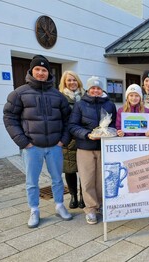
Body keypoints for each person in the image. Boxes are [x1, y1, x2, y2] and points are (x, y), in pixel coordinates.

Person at [3, 55, 72, 228]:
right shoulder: (19, 93)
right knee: (31, 181)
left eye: (44, 70)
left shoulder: (58, 96)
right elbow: (9, 117)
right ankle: (34, 209)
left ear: (48, 73)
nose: (41, 73)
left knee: (57, 178)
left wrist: (63, 140)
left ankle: (59, 205)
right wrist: (23, 142)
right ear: (32, 71)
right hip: (32, 147)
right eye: (38, 70)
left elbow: (68, 120)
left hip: (55, 146)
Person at [69, 76, 117, 224]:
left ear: (101, 90)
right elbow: (72, 126)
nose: (95, 91)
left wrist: (112, 133)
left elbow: (114, 123)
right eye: (93, 88)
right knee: (87, 179)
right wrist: (87, 134)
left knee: (103, 178)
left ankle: (102, 204)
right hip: (85, 148)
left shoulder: (109, 104)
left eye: (98, 88)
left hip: (104, 148)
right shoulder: (80, 105)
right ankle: (90, 208)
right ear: (88, 90)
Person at [59, 71, 86, 209]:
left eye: (74, 80)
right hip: (68, 138)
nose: (72, 83)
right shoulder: (61, 97)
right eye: (69, 80)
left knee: (84, 170)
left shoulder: (85, 96)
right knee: (69, 170)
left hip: (83, 137)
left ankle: (83, 196)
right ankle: (73, 196)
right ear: (64, 82)